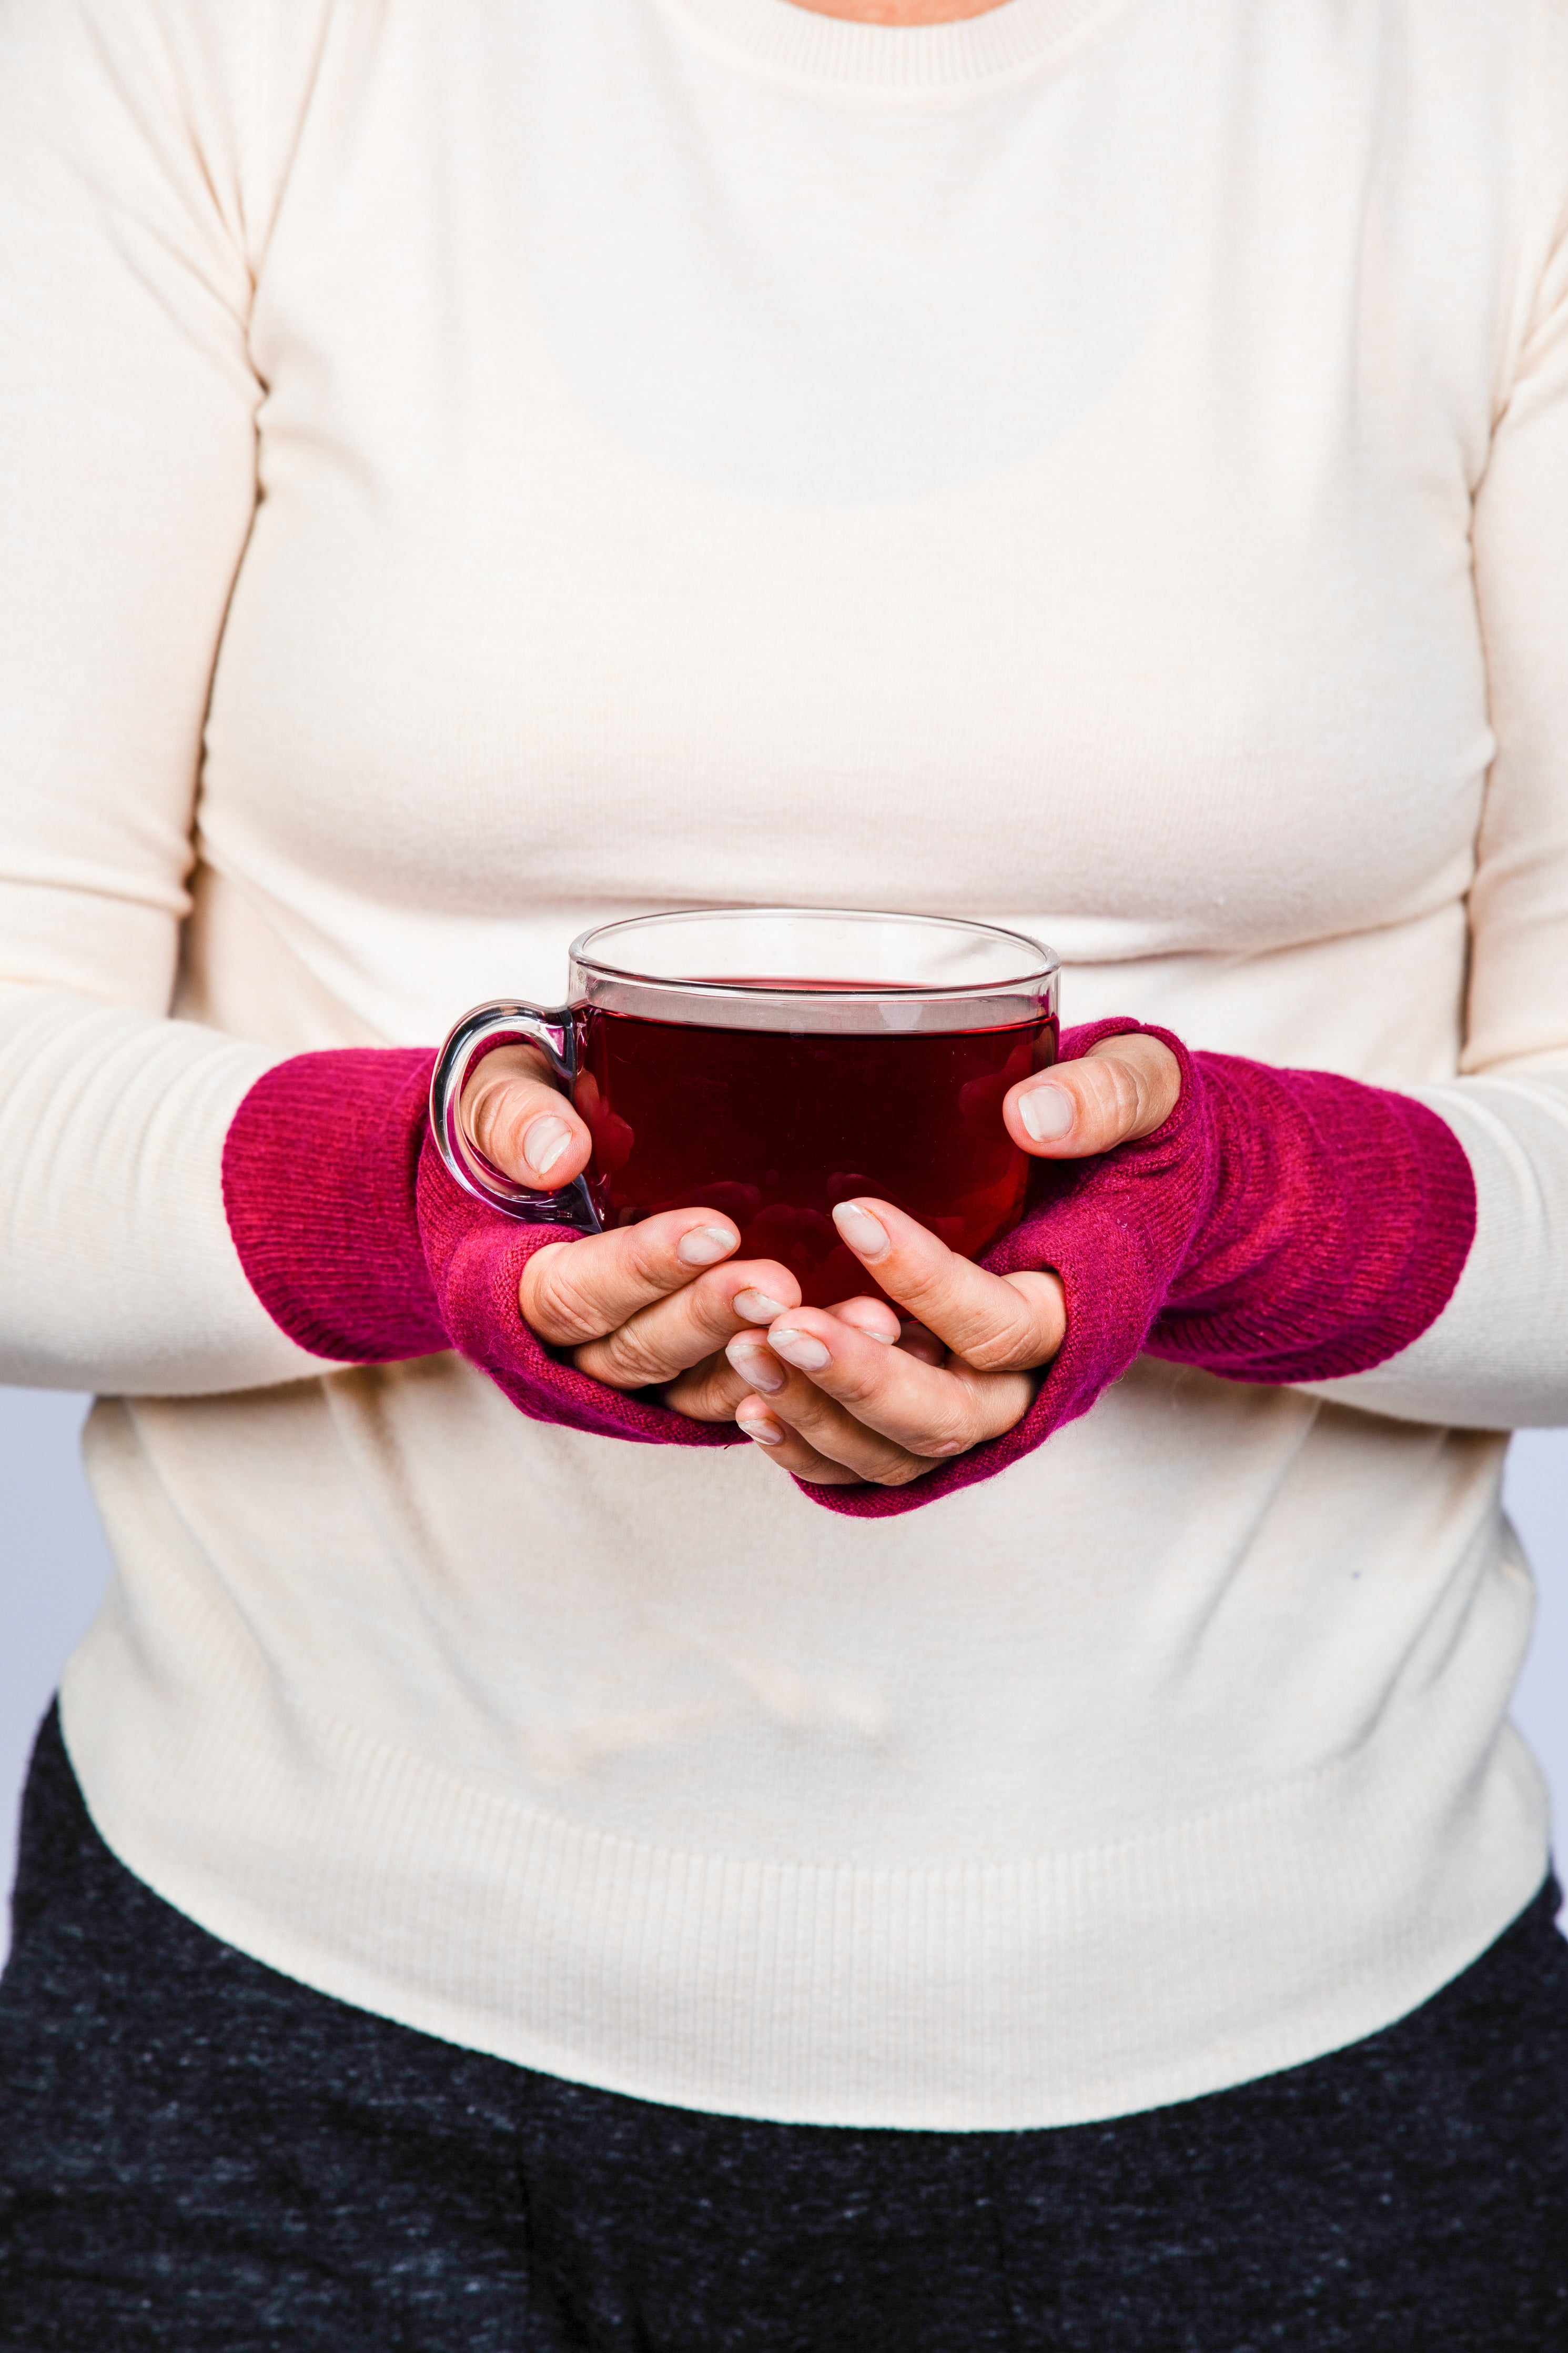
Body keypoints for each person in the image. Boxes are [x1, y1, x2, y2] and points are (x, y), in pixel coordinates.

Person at [1, 0, 1565, 2340]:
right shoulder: (195, 45)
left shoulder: (1492, 79)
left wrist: (1226, 1208)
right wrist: (426, 1213)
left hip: (1295, 2074)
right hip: (284, 2060)